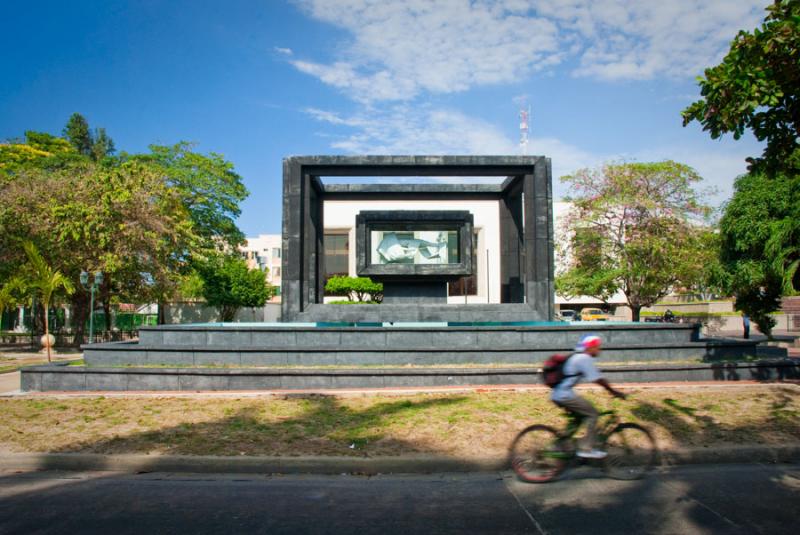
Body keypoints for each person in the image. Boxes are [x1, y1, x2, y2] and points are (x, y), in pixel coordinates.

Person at [550, 334, 627, 459]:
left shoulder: (578, 356)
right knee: (593, 414)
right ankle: (586, 448)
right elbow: (598, 379)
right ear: (590, 348)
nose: (598, 350)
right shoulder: (584, 358)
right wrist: (614, 392)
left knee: (579, 418)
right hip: (564, 395)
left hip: (559, 394)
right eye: (597, 347)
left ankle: (559, 444)